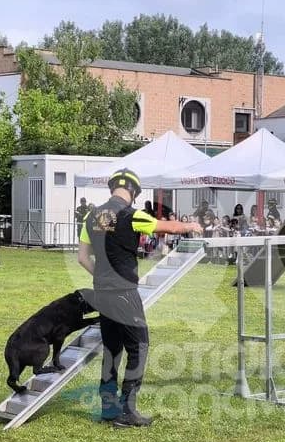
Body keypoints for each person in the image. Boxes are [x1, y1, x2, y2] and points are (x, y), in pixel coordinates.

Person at [78, 168, 202, 427]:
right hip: (124, 293)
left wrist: (102, 277)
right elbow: (165, 227)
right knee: (139, 347)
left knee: (112, 349)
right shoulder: (131, 215)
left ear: (112, 188)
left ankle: (109, 410)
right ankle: (127, 410)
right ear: (133, 192)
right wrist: (190, 225)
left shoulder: (92, 216)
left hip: (102, 291)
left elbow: (82, 258)